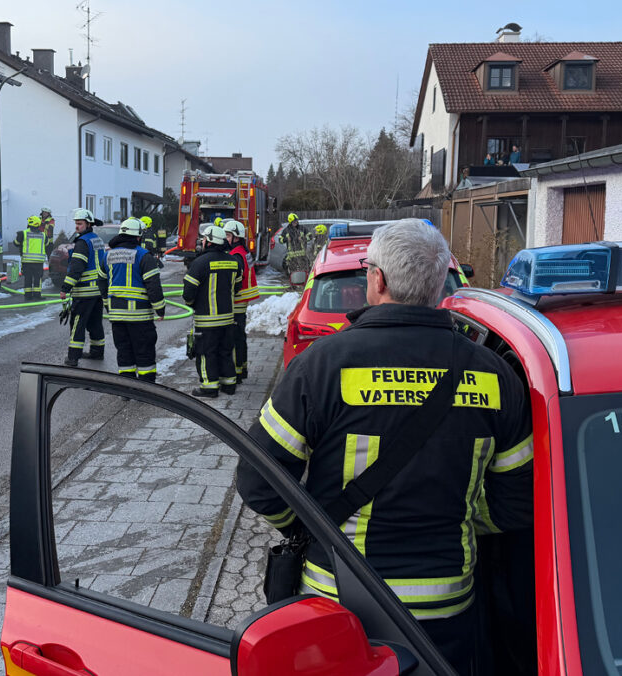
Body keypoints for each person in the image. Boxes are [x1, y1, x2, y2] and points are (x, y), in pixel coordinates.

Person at [236, 219, 533, 675]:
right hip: (446, 609)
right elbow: (518, 501)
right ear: (441, 283)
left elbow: (259, 480)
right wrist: (461, 519)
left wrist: (310, 526)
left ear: (377, 279)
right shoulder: (495, 375)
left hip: (338, 602)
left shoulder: (322, 365)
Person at [98, 218, 165, 381]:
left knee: (124, 353)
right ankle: (146, 387)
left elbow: (101, 283)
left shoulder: (107, 256)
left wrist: (108, 306)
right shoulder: (144, 256)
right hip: (139, 316)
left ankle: (127, 388)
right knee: (144, 353)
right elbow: (153, 286)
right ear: (138, 236)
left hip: (117, 316)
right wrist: (160, 309)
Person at [183, 224, 241, 397]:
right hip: (228, 318)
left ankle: (209, 387)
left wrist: (191, 303)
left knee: (205, 353)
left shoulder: (199, 263)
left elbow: (188, 292)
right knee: (225, 352)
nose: (202, 242)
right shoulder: (234, 262)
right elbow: (237, 287)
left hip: (206, 320)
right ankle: (229, 385)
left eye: (204, 239)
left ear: (209, 242)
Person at [60, 208, 108, 366]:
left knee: (77, 324)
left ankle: (73, 358)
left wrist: (65, 288)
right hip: (97, 291)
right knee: (95, 323)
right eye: (76, 223)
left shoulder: (82, 242)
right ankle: (97, 352)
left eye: (80, 223)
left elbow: (76, 268)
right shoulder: (97, 239)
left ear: (88, 224)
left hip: (84, 292)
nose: (76, 226)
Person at [222, 220, 259, 382]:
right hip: (242, 300)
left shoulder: (236, 255)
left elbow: (234, 280)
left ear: (236, 237)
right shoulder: (243, 252)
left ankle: (237, 372)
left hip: (237, 301)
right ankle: (242, 368)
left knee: (235, 338)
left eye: (227, 235)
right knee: (240, 337)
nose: (225, 239)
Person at [13, 216, 52, 300]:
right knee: (38, 279)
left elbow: (16, 243)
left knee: (28, 278)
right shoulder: (43, 235)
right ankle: (37, 295)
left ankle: (28, 296)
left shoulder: (23, 233)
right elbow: (47, 244)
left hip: (27, 261)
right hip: (38, 262)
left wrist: (19, 237)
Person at [278, 213, 309, 278]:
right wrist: (286, 239)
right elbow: (280, 240)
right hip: (291, 256)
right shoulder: (286, 230)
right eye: (294, 221)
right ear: (290, 222)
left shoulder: (302, 228)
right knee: (290, 271)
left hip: (302, 255)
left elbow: (310, 236)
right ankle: (291, 281)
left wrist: (303, 238)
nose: (295, 222)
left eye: (296, 221)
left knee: (305, 270)